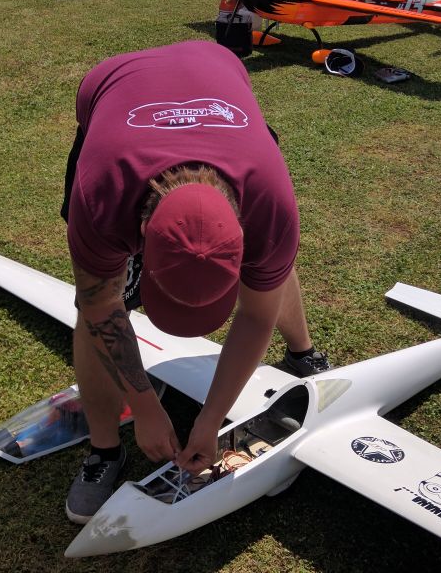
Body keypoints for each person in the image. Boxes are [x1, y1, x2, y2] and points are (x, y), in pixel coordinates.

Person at [60, 40, 331, 523]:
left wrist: (210, 419)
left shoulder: (270, 205)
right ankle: (104, 449)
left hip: (215, 72)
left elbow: (255, 313)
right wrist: (143, 406)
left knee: (272, 272)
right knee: (96, 300)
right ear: (141, 233)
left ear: (244, 230)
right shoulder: (101, 196)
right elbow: (102, 310)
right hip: (114, 86)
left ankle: (303, 353)